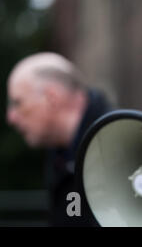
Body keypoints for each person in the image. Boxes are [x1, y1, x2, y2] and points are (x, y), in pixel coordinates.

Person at [6, 52, 113, 226]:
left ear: (51, 98)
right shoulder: (59, 151)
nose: (11, 117)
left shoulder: (121, 144)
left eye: (18, 103)